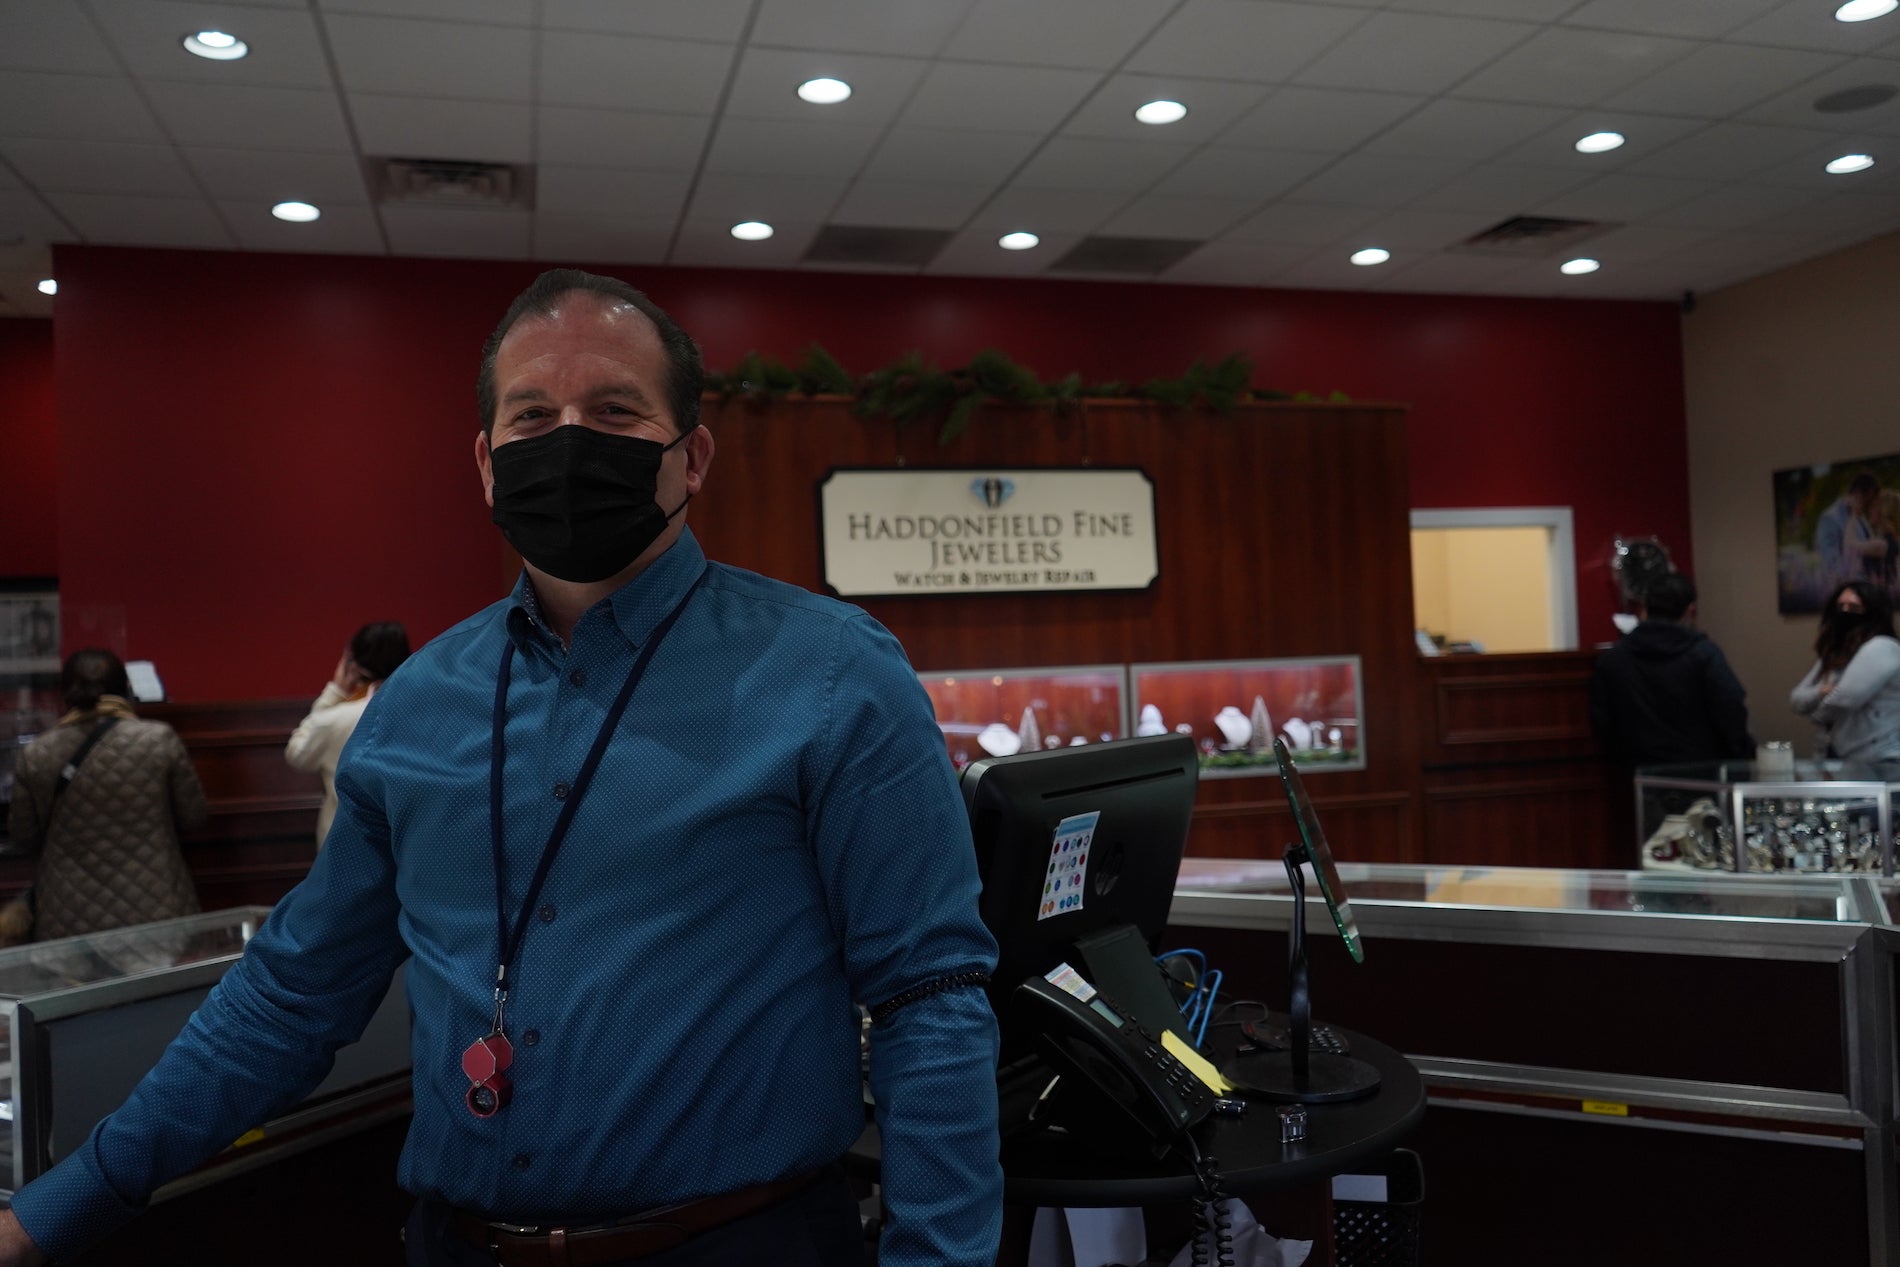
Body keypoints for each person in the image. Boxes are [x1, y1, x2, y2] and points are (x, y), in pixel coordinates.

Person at [0, 270, 1001, 1267]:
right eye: (534, 415)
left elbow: (930, 996)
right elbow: (290, 997)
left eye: (613, 409)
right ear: (486, 463)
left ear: (691, 455)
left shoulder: (833, 675)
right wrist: (53, 1210)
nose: (570, 440)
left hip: (743, 1241)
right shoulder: (414, 710)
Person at [5, 649, 207, 942]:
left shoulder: (36, 753)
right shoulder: (159, 739)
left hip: (67, 915)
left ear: (65, 693)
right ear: (126, 689)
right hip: (157, 909)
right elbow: (194, 817)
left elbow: (23, 835)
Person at [1589, 572, 1755, 770]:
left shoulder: (1613, 660)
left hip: (1637, 774)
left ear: (1644, 609)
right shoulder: (1703, 654)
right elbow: (1731, 708)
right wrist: (1742, 753)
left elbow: (1603, 723)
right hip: (1702, 771)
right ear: (1690, 610)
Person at [284, 621, 411, 847]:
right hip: (409, 840)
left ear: (354, 667)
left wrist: (335, 691)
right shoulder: (421, 712)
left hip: (346, 844)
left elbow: (298, 754)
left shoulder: (335, 720)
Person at [1790, 580, 1900, 774]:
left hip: (1879, 759)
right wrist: (1821, 691)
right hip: (1838, 758)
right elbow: (1796, 699)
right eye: (1841, 606)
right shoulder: (1835, 654)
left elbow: (1845, 699)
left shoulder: (1881, 647)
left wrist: (1817, 714)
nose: (1845, 612)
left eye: (1854, 607)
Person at [1814, 469, 1886, 589]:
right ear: (1858, 494)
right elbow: (1830, 563)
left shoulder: (1859, 517)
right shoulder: (1830, 519)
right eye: (1869, 501)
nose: (1870, 507)